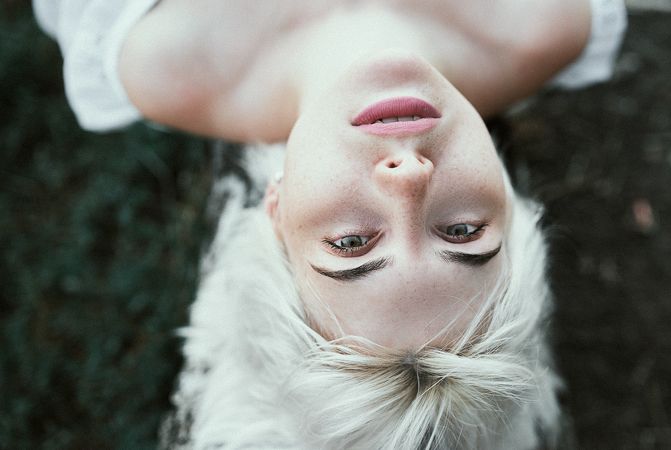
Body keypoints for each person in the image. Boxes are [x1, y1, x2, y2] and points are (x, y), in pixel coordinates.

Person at [35, 1, 626, 448]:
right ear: (510, 207)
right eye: (464, 231)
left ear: (276, 210)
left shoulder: (150, 52)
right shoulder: (551, 22)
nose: (408, 178)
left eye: (351, 244)